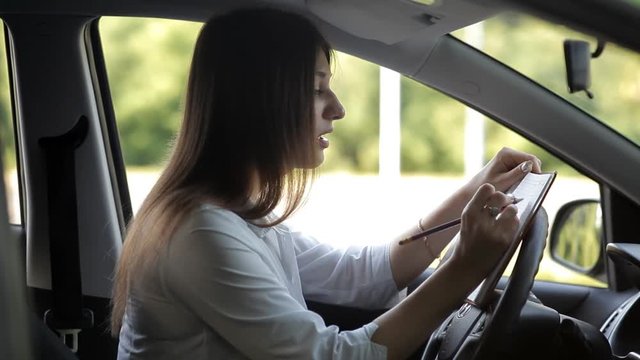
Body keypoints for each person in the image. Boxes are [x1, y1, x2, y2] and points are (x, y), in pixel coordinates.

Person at [110, 7, 542, 360]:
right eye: (318, 90)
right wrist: (465, 266)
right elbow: (332, 357)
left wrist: (474, 191)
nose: (338, 109)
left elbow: (364, 274)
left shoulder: (234, 214)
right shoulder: (201, 232)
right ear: (259, 101)